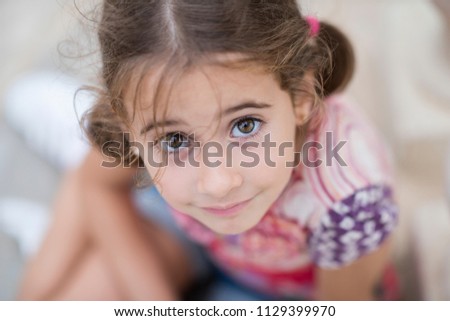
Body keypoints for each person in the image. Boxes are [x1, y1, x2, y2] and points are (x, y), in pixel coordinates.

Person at [17, 0, 399, 300]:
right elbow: (98, 185)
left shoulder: (349, 202)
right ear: (127, 124)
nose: (218, 182)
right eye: (176, 141)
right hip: (186, 230)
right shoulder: (141, 110)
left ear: (300, 94)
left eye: (245, 126)